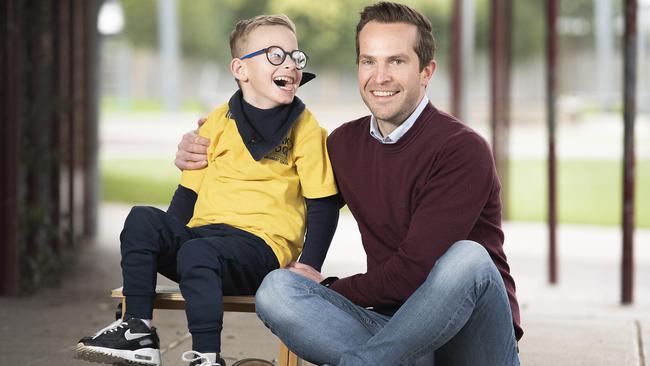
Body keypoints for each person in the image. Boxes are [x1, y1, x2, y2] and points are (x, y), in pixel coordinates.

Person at [176, 2, 522, 365]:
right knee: (277, 289)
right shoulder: (343, 145)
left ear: (426, 71)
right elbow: (269, 179)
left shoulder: (461, 149)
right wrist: (205, 149)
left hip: (470, 343)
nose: (380, 76)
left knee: (468, 259)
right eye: (369, 61)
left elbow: (413, 273)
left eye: (397, 61)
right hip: (394, 332)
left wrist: (330, 288)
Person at [76, 14, 339, 366]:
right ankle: (136, 330)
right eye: (276, 55)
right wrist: (165, 240)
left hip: (260, 249)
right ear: (240, 69)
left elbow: (322, 204)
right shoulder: (217, 121)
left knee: (198, 253)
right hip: (204, 242)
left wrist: (309, 266)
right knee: (143, 219)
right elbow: (188, 195)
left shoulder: (304, 128)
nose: (290, 64)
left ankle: (206, 356)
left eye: (295, 56)